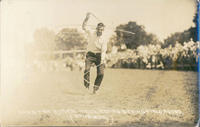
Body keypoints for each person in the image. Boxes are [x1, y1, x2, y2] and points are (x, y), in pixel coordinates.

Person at [82, 12, 107, 94]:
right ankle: (86, 85)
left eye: (101, 29)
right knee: (86, 70)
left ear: (103, 30)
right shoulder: (91, 33)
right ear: (96, 28)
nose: (99, 31)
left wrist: (102, 60)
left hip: (99, 56)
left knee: (101, 73)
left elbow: (103, 51)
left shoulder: (104, 39)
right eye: (98, 29)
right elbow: (84, 27)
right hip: (90, 55)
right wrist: (86, 18)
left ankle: (95, 88)